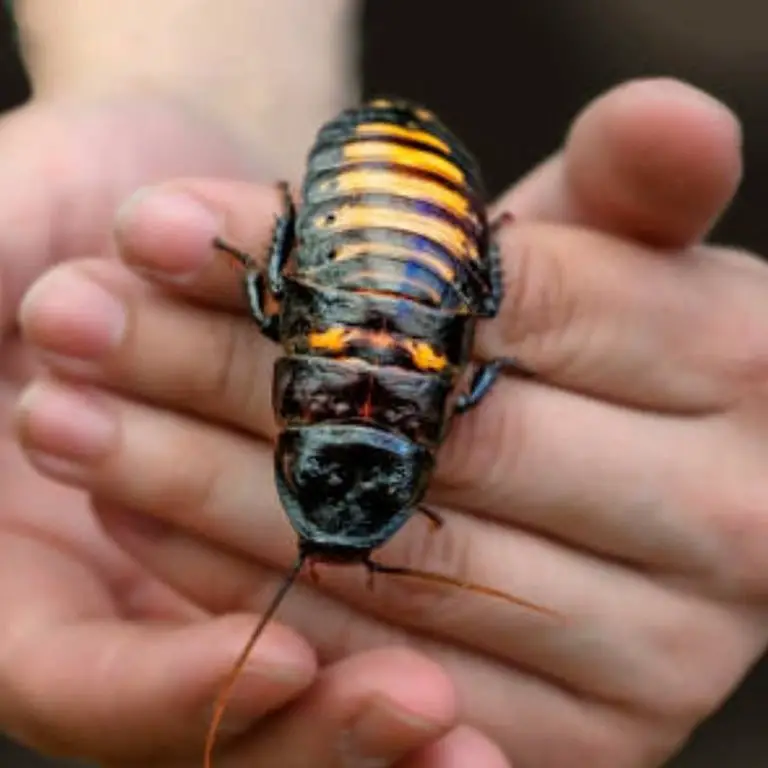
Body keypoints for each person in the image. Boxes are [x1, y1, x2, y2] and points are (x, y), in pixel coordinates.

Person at [2, 3, 766, 768]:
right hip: (397, 203)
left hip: (417, 205)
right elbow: (276, 306)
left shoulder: (447, 402)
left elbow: (453, 364)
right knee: (288, 315)